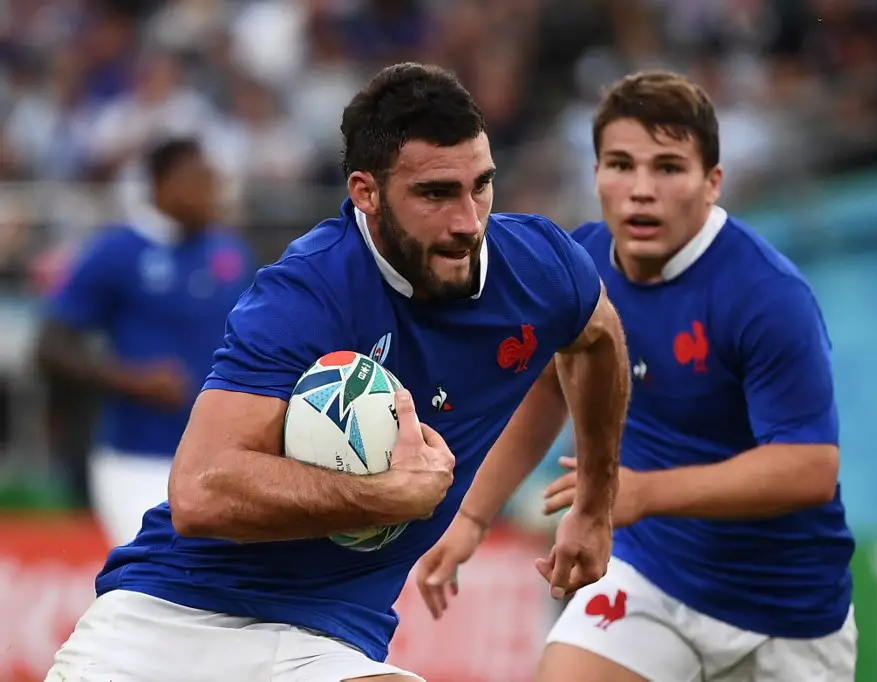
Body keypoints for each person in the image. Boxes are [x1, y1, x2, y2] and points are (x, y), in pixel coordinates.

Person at [45, 62, 628, 682]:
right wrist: (386, 498)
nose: (468, 223)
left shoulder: (539, 268)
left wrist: (596, 496)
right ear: (366, 192)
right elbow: (200, 490)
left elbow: (598, 340)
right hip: (170, 622)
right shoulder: (307, 291)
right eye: (435, 193)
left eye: (480, 185)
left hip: (322, 644)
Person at [417, 70, 858, 681]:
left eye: (669, 168)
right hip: (649, 576)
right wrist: (470, 517)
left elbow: (809, 468)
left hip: (786, 612)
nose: (641, 189)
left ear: (712, 184)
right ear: (595, 175)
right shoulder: (584, 263)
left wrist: (644, 493)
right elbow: (550, 385)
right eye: (620, 164)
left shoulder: (767, 295)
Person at [35, 137, 252, 547]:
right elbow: (51, 347)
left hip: (218, 458)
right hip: (135, 456)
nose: (213, 191)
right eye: (199, 180)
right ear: (160, 184)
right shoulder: (117, 251)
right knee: (153, 586)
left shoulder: (229, 253)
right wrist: (132, 379)